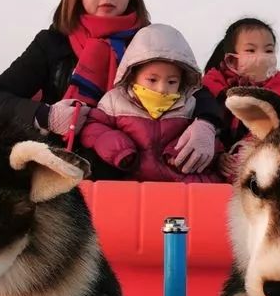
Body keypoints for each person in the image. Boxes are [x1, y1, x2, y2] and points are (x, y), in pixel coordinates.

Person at [0, 0, 220, 174]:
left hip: (137, 170)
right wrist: (46, 116)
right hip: (63, 172)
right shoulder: (52, 43)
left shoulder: (150, 43)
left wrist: (206, 125)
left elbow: (196, 90)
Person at [79, 24, 223, 183]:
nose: (162, 89)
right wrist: (117, 147)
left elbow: (208, 146)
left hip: (178, 190)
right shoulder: (115, 101)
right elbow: (93, 127)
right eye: (152, 80)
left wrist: (216, 158)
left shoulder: (188, 105)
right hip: (128, 190)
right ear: (132, 75)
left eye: (172, 81)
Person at [202, 17, 280, 178]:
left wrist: (244, 156)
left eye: (268, 51)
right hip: (210, 182)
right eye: (251, 51)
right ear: (232, 59)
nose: (261, 57)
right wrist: (218, 156)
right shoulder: (209, 90)